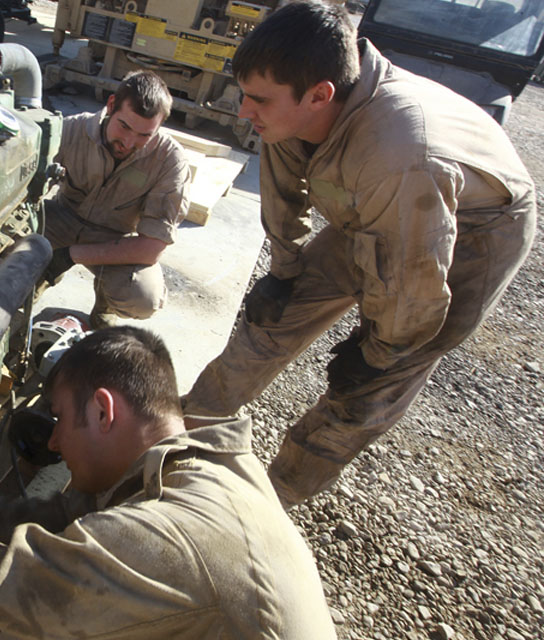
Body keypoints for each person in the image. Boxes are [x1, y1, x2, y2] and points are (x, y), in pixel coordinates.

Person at [182, 1, 537, 507]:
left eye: (257, 99)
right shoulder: (291, 110)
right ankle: (185, 430)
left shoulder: (400, 156)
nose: (243, 111)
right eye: (244, 94)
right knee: (271, 320)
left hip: (478, 231)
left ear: (320, 95)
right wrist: (283, 272)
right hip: (379, 209)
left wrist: (380, 352)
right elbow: (284, 191)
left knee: (364, 393)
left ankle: (264, 507)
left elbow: (413, 282)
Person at [0, 326, 336, 639]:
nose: (53, 444)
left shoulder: (165, 541)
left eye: (59, 419)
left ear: (102, 409)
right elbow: (73, 513)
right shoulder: (212, 469)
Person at [43, 70, 191, 328]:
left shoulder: (170, 162)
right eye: (124, 126)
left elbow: (150, 249)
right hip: (60, 218)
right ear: (111, 106)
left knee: (143, 298)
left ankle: (105, 310)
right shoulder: (71, 129)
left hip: (114, 236)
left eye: (144, 135)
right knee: (6, 257)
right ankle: (24, 293)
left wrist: (70, 255)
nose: (129, 142)